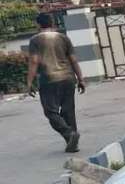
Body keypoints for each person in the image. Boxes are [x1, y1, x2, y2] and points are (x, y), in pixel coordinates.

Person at [26, 13, 85, 153]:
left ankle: (69, 134)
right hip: (68, 78)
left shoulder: (35, 40)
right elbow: (73, 60)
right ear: (52, 23)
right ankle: (72, 143)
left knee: (50, 112)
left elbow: (34, 61)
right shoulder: (63, 38)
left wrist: (29, 82)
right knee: (68, 111)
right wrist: (81, 79)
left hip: (48, 80)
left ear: (38, 24)